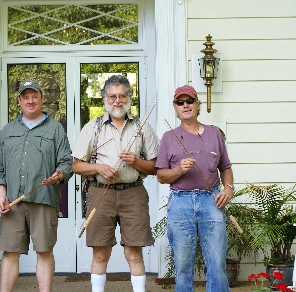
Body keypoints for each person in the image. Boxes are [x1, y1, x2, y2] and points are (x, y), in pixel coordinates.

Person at [71, 75, 159, 292]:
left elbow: (156, 167)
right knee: (100, 252)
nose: (117, 100)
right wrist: (99, 168)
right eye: (112, 96)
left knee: (134, 252)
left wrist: (136, 161)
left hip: (133, 193)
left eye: (122, 95)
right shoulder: (93, 127)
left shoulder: (142, 127)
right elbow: (76, 166)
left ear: (129, 97)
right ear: (105, 98)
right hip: (101, 193)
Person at [0, 80, 73, 292]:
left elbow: (67, 163)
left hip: (44, 200)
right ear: (19, 101)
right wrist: (1, 193)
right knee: (10, 252)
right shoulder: (7, 130)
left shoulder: (56, 129)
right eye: (26, 97)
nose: (30, 101)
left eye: (34, 96)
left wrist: (58, 176)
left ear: (41, 99)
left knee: (44, 251)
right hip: (13, 202)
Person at [155, 85, 234, 292]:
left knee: (217, 264)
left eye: (189, 101)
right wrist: (179, 170)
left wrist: (228, 188)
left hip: (211, 200)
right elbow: (161, 176)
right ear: (175, 108)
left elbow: (225, 167)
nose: (185, 105)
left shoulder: (214, 134)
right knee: (183, 267)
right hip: (180, 202)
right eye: (180, 102)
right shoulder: (168, 137)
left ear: (197, 104)